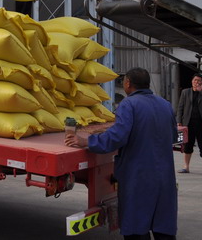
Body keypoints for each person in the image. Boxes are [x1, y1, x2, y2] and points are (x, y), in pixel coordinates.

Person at [66, 68, 177, 240]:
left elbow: (117, 138)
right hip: (164, 177)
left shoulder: (129, 104)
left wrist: (87, 141)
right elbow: (173, 135)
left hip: (138, 177)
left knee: (136, 225)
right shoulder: (165, 104)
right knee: (163, 224)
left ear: (128, 83)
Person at [176, 73, 202, 177]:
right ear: (192, 81)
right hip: (188, 124)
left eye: (199, 81)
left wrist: (201, 90)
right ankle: (186, 167)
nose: (196, 82)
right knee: (187, 146)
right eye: (195, 80)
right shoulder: (185, 92)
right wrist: (179, 120)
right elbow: (180, 107)